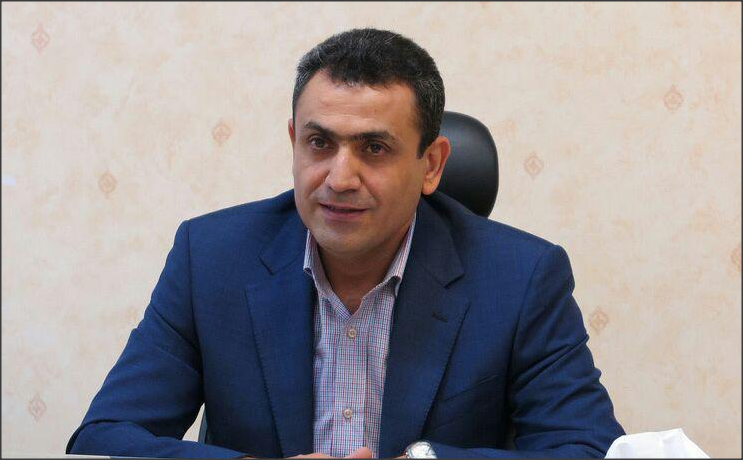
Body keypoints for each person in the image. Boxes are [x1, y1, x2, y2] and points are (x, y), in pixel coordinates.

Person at [67, 28, 624, 459]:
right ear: (293, 141)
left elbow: (587, 449)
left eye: (374, 149)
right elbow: (107, 437)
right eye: (319, 143)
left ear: (431, 165)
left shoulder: (522, 278)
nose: (339, 178)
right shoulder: (210, 257)